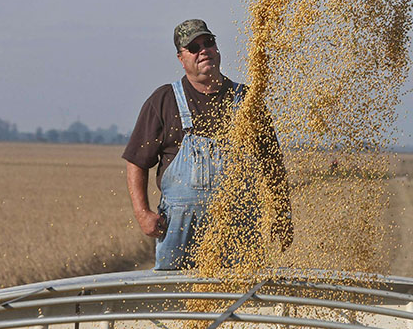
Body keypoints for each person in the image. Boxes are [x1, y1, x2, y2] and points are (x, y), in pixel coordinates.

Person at [122, 19, 292, 270]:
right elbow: (137, 161)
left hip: (239, 225)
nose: (204, 50)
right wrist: (142, 213)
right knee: (177, 300)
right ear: (181, 58)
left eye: (208, 43)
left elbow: (272, 163)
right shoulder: (164, 100)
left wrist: (281, 212)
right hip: (181, 229)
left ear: (217, 48)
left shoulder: (247, 100)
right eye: (194, 47)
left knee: (241, 299)